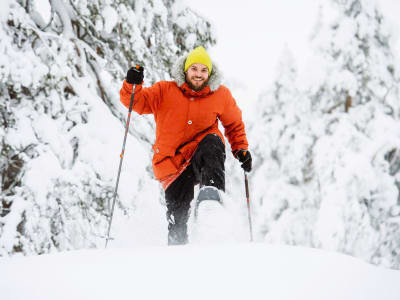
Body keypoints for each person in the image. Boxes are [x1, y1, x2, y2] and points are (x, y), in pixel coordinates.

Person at [120, 46, 252, 245]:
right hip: (171, 164)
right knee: (177, 218)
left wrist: (240, 149)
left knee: (213, 142)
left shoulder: (220, 95)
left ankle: (211, 200)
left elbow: (233, 124)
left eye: (203, 70)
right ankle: (177, 251)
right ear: (185, 70)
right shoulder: (165, 90)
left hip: (201, 153)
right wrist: (132, 84)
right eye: (194, 69)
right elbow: (136, 102)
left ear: (210, 73)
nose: (198, 74)